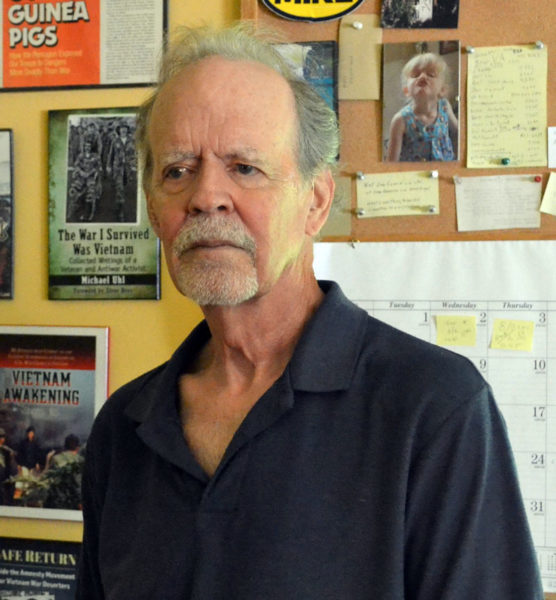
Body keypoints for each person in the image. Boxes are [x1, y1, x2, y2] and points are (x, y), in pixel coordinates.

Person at [77, 24, 543, 599]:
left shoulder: (434, 409)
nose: (206, 195)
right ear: (153, 204)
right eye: (177, 170)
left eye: (244, 167)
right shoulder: (124, 430)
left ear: (315, 202)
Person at [386, 51, 458, 162]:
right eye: (415, 75)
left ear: (443, 90)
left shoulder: (444, 107)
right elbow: (391, 163)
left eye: (431, 75)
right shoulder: (400, 120)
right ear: (406, 91)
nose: (423, 76)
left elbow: (459, 133)